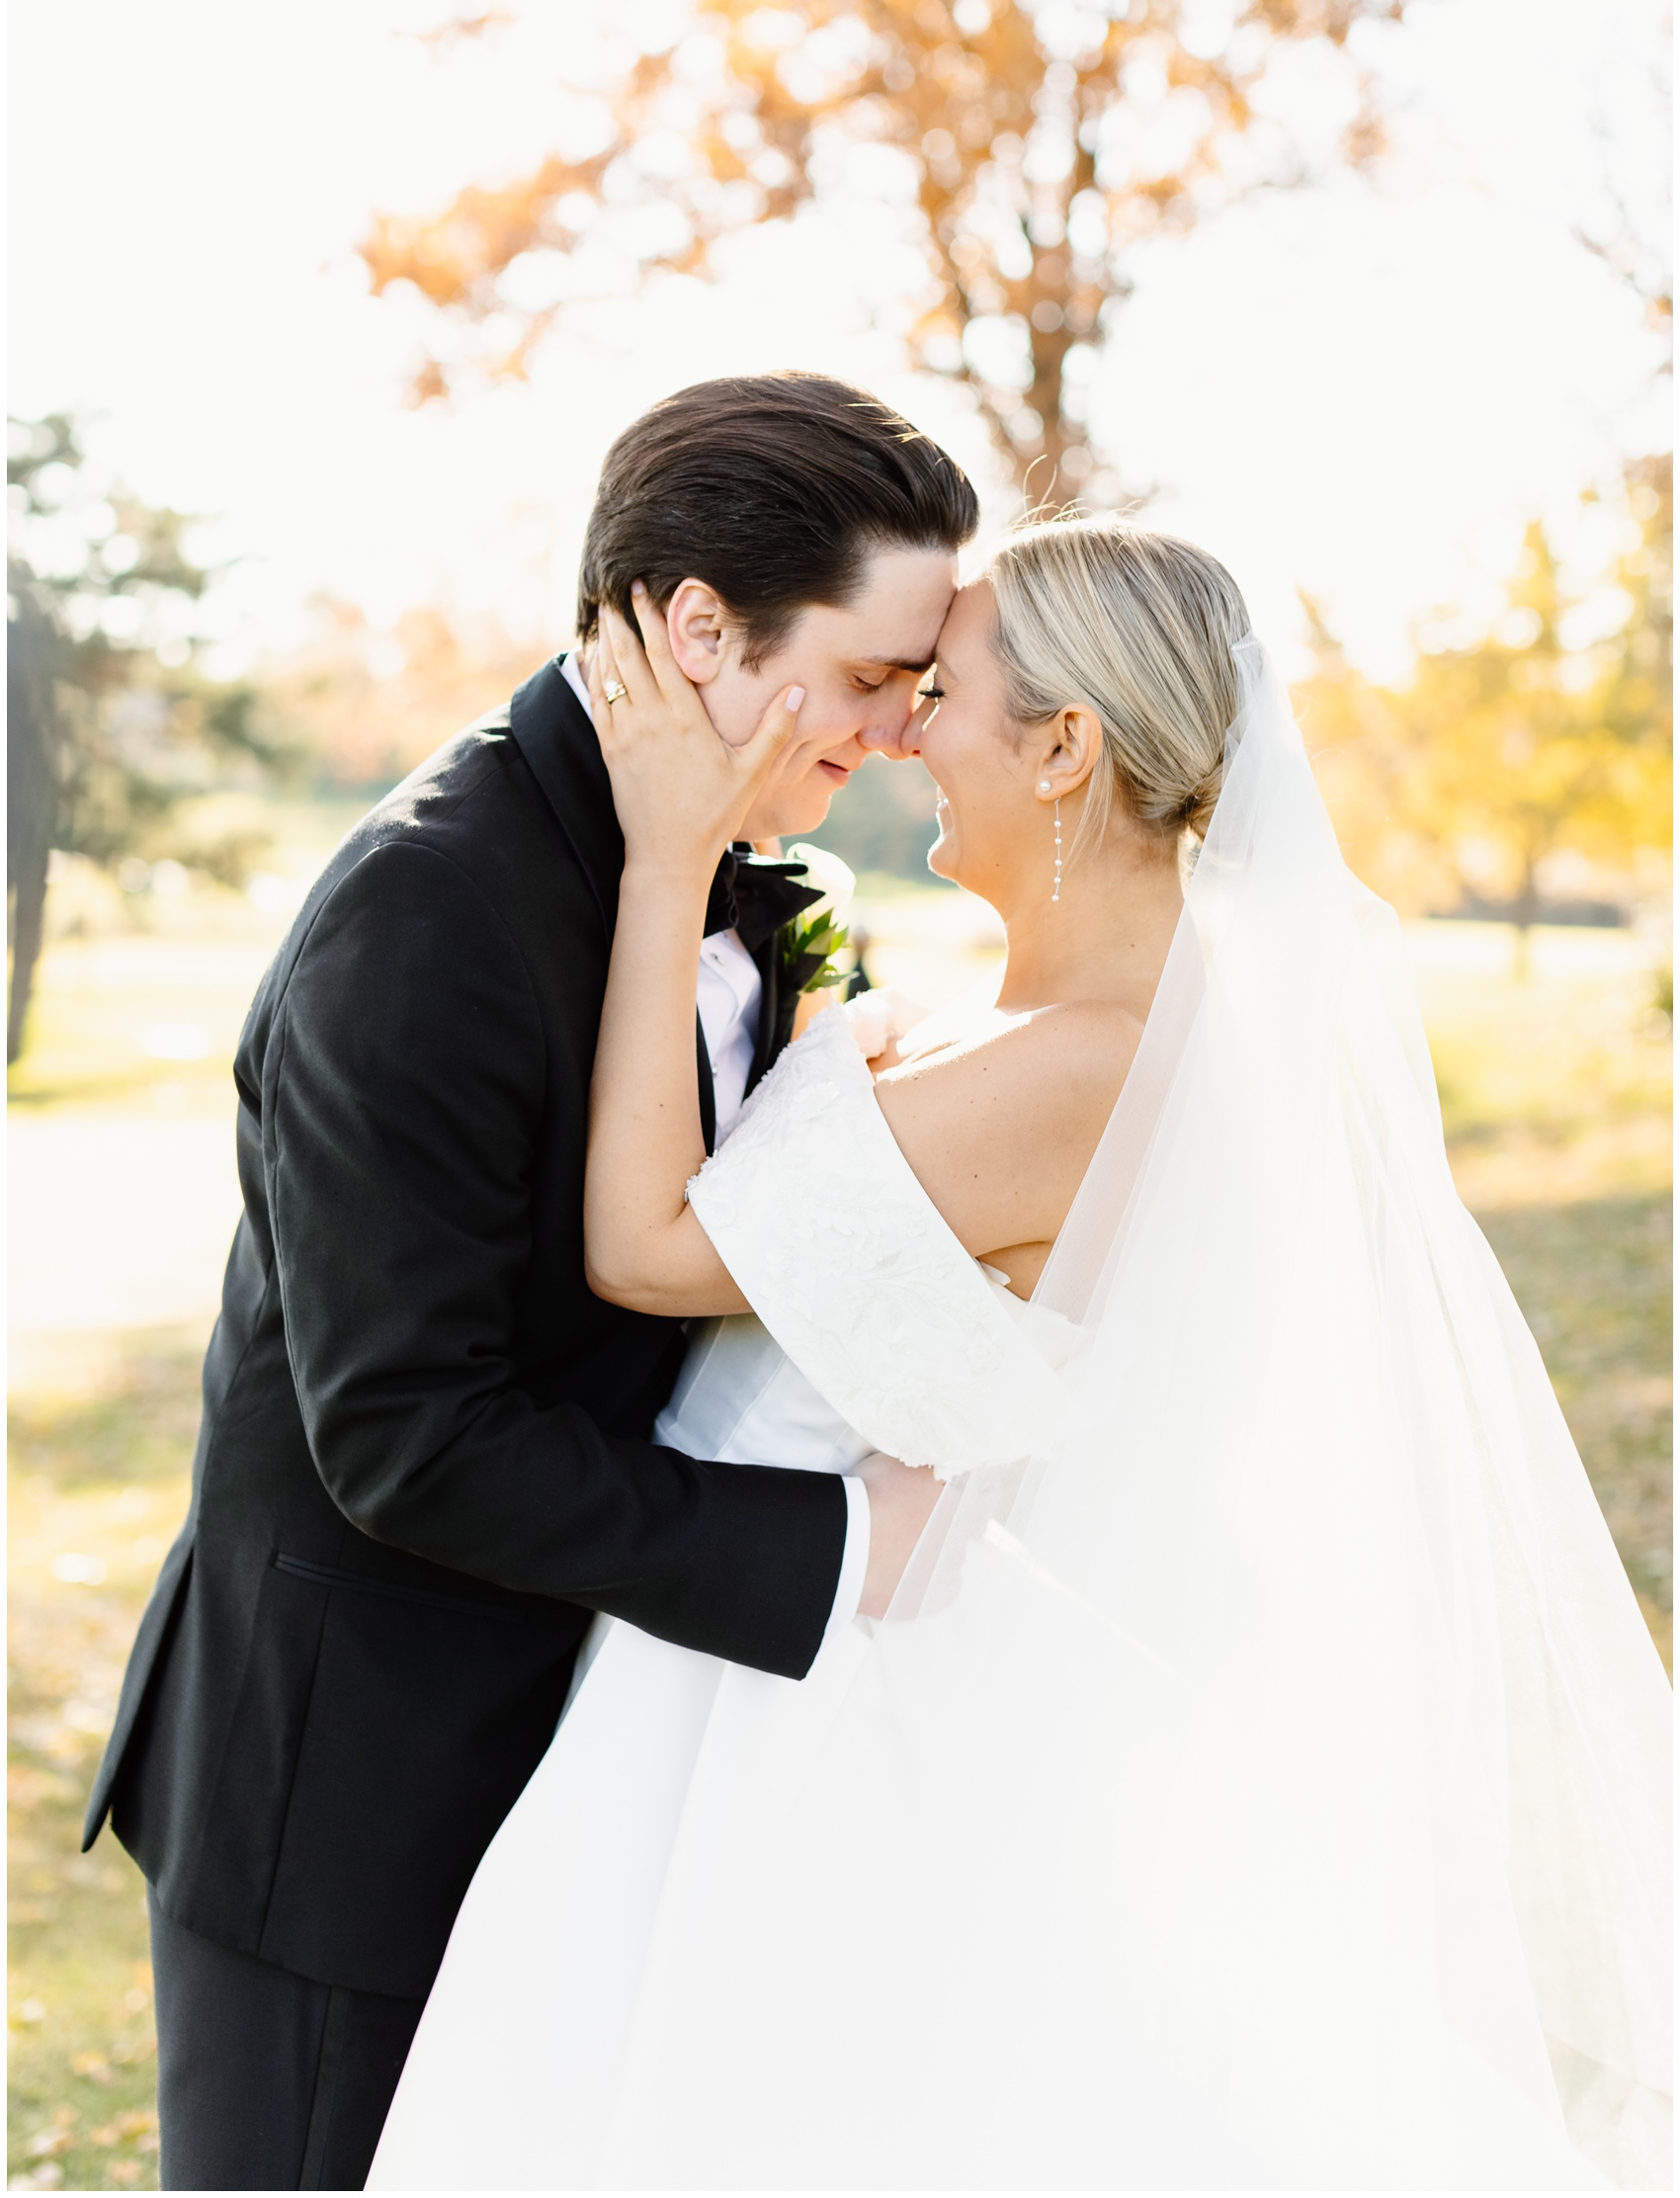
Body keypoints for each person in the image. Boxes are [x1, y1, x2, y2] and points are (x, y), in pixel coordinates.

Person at [371, 521, 1670, 2192]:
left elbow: (644, 1249)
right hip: (761, 1639)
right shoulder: (1023, 1026)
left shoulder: (1084, 1070)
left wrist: (662, 859)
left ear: (1067, 748)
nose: (900, 728)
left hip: (822, 1701)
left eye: (943, 692)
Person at [82, 372, 977, 2192]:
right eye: (878, 672)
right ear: (701, 626)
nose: (902, 727)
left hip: (592, 1755)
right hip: (357, 1794)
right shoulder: (428, 914)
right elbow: (406, 1435)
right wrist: (823, 1547)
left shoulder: (733, 882)